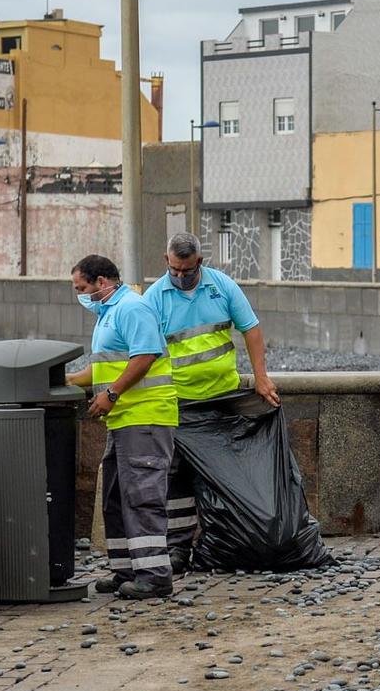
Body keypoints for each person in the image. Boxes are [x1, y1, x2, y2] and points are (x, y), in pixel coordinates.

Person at [143, 233, 279, 571]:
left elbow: (252, 329)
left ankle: (217, 543)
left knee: (219, 473)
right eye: (175, 270)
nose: (180, 276)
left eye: (187, 270)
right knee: (175, 476)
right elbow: (143, 349)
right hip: (178, 401)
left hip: (220, 398)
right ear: (166, 261)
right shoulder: (154, 298)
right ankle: (177, 550)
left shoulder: (222, 287)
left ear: (199, 263)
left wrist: (260, 376)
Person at [68, 254, 178, 600]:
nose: (80, 295)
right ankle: (125, 569)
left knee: (143, 497)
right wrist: (62, 379)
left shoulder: (132, 308)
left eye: (81, 288)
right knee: (115, 498)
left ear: (102, 282)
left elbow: (145, 356)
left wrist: (111, 394)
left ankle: (155, 576)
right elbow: (102, 369)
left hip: (144, 418)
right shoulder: (107, 314)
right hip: (124, 419)